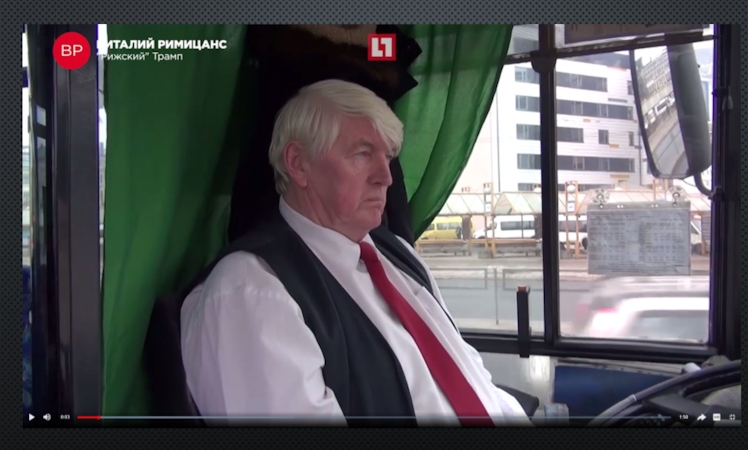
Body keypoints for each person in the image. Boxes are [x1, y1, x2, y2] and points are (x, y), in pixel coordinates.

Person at [180, 79, 532, 426]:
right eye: (362, 154)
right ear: (298, 164)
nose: (386, 177)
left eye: (388, 157)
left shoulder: (398, 255)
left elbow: (469, 373)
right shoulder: (251, 290)